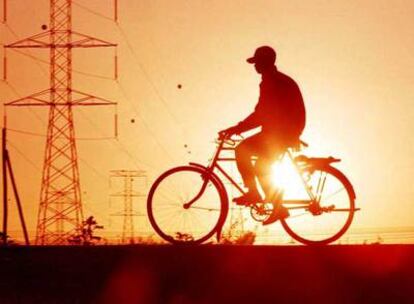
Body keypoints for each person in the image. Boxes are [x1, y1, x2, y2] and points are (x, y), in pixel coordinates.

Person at [219, 46, 306, 225]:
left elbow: (261, 114)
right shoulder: (276, 79)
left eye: (257, 62)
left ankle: (258, 196)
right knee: (260, 165)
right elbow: (265, 114)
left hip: (281, 133)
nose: (255, 66)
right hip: (281, 131)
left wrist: (236, 129)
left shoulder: (272, 82)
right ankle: (271, 203)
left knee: (242, 150)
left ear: (263, 63)